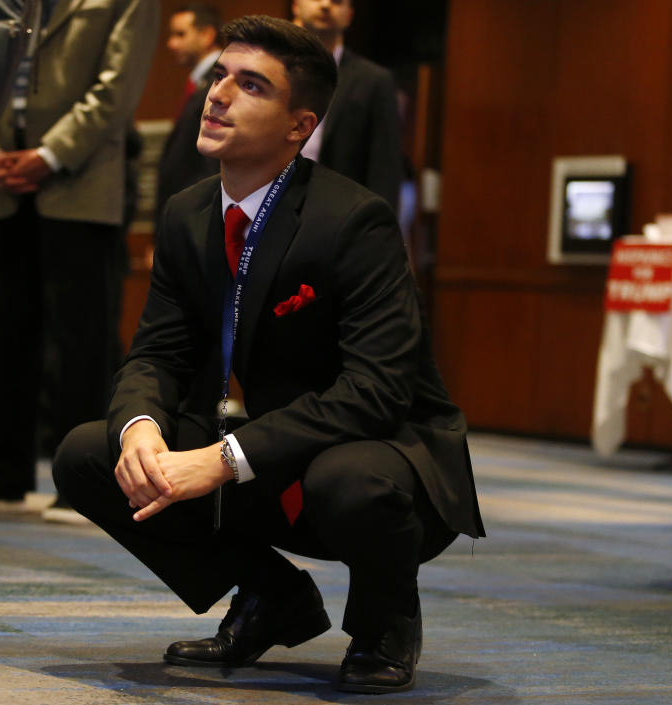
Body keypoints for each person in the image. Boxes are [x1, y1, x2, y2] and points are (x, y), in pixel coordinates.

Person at [52, 15, 484, 694]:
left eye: (251, 85)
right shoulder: (188, 215)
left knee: (349, 480)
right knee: (90, 451)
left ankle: (384, 620)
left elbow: (376, 391)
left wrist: (222, 459)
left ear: (298, 126)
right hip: (264, 448)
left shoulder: (354, 221)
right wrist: (141, 428)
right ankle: (269, 596)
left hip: (381, 457)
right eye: (220, 75)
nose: (218, 94)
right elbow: (156, 353)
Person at [0, 0, 159, 514]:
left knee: (79, 339)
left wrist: (48, 155)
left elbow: (115, 89)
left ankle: (78, 481)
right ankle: (3, 470)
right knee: (6, 330)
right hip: (7, 181)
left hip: (79, 180)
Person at [292, 0, 404, 212]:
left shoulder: (374, 80)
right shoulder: (272, 70)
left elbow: (385, 168)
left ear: (350, 16)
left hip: (340, 212)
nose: (325, 5)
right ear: (296, 6)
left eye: (337, 1)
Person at [154, 3, 222, 223]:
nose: (171, 44)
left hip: (199, 218)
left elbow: (211, 165)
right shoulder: (200, 83)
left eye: (181, 35)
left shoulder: (219, 85)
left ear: (207, 35)